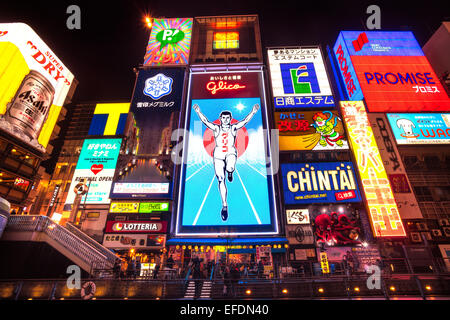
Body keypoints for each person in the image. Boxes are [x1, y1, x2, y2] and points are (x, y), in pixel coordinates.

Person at [193, 103, 259, 221]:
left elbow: (244, 121)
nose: (225, 120)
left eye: (228, 118)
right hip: (218, 155)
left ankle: (230, 171)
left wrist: (253, 112)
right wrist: (198, 111)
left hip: (230, 153)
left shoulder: (233, 128)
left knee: (230, 168)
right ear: (220, 119)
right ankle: (224, 205)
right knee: (220, 179)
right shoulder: (216, 128)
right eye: (223, 118)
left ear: (230, 119)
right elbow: (206, 121)